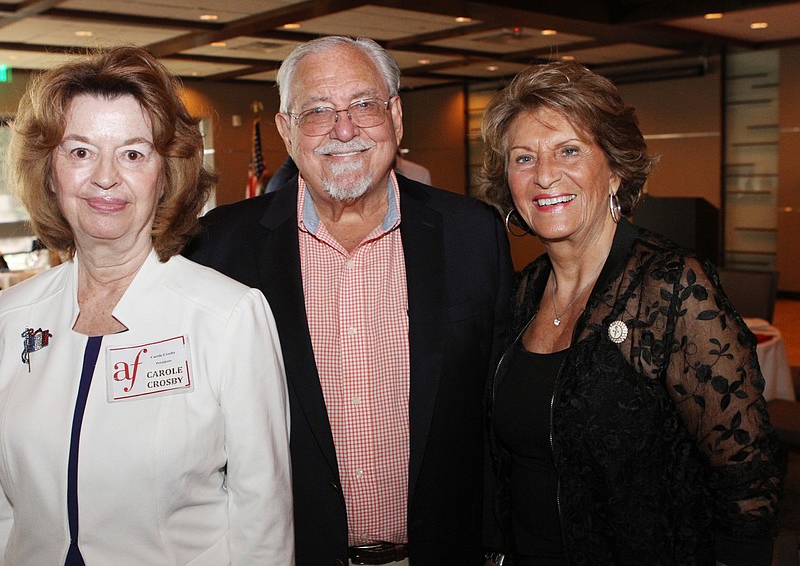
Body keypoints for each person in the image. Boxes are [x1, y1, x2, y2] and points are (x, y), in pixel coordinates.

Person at [0, 46, 293, 565]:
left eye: (133, 154)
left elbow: (262, 522)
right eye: (80, 151)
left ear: (165, 173)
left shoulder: (228, 316)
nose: (105, 177)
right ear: (49, 171)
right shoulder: (10, 317)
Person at [186, 36, 514, 565]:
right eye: (317, 111)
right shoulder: (219, 247)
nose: (344, 130)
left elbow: (499, 411)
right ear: (286, 130)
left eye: (363, 104)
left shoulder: (472, 234)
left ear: (396, 117)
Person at [478, 60, 782, 565]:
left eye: (569, 150)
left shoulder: (672, 285)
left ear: (616, 169)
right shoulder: (522, 291)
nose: (544, 175)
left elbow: (748, 475)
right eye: (523, 158)